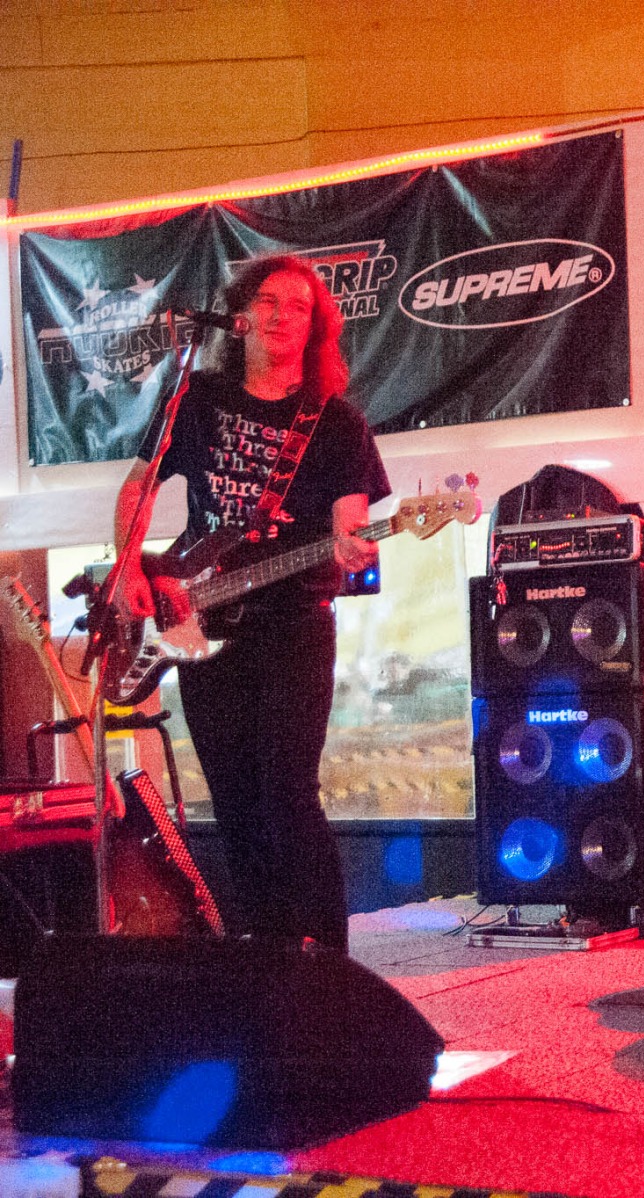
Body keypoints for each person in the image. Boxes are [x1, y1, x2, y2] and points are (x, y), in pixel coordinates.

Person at [111, 255, 391, 952]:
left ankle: (327, 962)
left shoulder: (336, 423)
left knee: (288, 793)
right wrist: (127, 568)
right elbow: (138, 484)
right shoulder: (197, 398)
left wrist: (354, 546)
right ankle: (265, 955)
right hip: (200, 620)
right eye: (268, 301)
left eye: (299, 307)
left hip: (293, 625)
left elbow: (350, 520)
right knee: (233, 800)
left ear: (315, 326)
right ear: (239, 315)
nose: (281, 316)